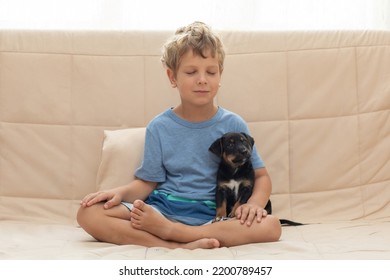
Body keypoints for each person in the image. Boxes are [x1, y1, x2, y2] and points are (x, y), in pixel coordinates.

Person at [77, 21, 281, 249]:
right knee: (88, 214)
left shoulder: (233, 123)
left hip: (214, 215)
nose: (202, 79)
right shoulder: (159, 126)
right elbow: (147, 182)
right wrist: (118, 192)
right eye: (191, 72)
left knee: (272, 226)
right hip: (163, 209)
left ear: (220, 75)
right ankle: (177, 246)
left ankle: (178, 234)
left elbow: (261, 177)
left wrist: (253, 204)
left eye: (211, 72)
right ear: (172, 77)